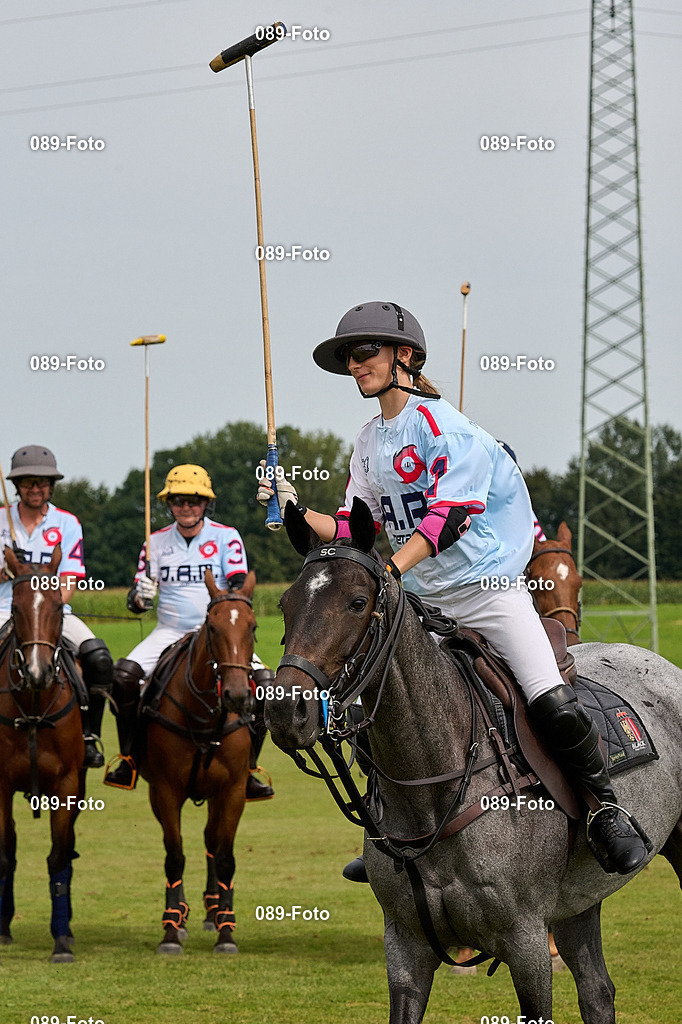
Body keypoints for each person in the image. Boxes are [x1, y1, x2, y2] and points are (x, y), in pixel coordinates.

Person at [258, 300, 648, 878]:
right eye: (349, 356)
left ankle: (604, 812)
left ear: (405, 356)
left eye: (365, 351)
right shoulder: (368, 441)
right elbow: (355, 529)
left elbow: (451, 517)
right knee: (382, 702)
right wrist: (295, 508)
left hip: (487, 591)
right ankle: (393, 827)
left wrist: (392, 571)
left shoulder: (449, 428)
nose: (355, 364)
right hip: (422, 597)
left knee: (548, 697)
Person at [104, 464, 274, 799]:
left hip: (221, 636)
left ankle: (250, 768)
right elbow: (135, 604)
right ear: (169, 504)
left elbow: (239, 585)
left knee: (266, 684)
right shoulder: (155, 542)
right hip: (169, 630)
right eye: (179, 499)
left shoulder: (226, 536)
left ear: (205, 503)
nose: (186, 506)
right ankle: (129, 758)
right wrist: (141, 596)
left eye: (194, 500)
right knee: (122, 677)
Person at [0, 445, 112, 768]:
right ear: (17, 486)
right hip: (5, 608)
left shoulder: (67, 523)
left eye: (42, 482)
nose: (35, 488)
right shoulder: (2, 520)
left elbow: (70, 580)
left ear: (51, 486)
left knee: (100, 659)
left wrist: (49, 606)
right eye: (28, 482)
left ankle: (89, 736)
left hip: (52, 613)